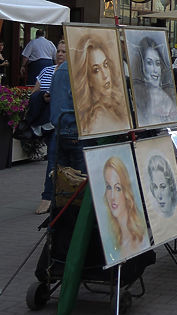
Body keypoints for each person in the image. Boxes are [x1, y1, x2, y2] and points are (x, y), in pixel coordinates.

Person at [72, 33, 130, 135]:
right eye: (96, 70)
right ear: (88, 79)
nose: (105, 75)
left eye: (106, 65)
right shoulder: (97, 118)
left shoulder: (115, 106)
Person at [33, 40, 66, 215]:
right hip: (47, 122)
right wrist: (42, 97)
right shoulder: (46, 71)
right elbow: (34, 94)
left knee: (56, 159)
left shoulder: (71, 72)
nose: (60, 54)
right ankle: (50, 195)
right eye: (58, 51)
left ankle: (51, 196)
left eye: (63, 52)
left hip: (63, 123)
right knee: (54, 159)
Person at [103, 156, 148, 259]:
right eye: (109, 187)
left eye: (118, 188)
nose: (112, 196)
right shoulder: (112, 237)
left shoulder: (138, 240)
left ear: (126, 191)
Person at [132, 36, 177, 126]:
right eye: (149, 63)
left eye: (157, 63)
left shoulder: (167, 97)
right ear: (142, 66)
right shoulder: (138, 96)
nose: (155, 70)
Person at [49, 60, 85, 173]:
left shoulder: (61, 69)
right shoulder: (82, 67)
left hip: (60, 129)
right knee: (80, 181)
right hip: (77, 130)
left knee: (59, 181)